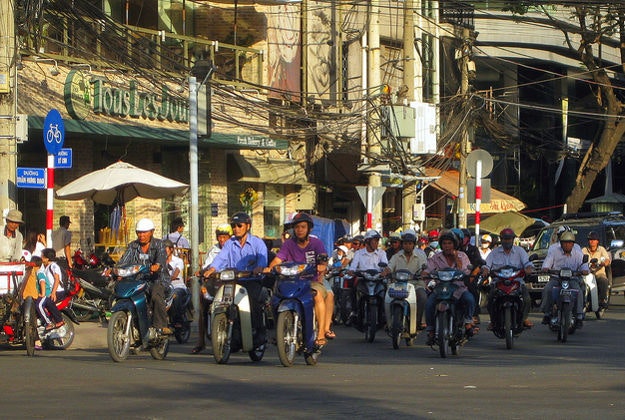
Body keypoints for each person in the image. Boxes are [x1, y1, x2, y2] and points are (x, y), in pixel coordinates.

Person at [264, 212, 332, 345]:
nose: (299, 230)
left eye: (303, 227)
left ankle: (320, 334)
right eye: (297, 227)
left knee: (317, 295)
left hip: (311, 281)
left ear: (309, 229)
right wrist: (269, 268)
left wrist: (322, 267)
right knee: (275, 299)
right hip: (290, 282)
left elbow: (323, 260)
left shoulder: (316, 243)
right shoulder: (288, 244)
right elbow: (278, 260)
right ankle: (279, 330)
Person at [205, 212, 268, 345]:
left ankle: (258, 332)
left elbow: (263, 259)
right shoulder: (229, 244)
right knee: (222, 301)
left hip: (252, 281)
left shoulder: (258, 243)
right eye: (234, 226)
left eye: (239, 225)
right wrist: (212, 269)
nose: (236, 229)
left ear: (248, 226)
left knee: (252, 302)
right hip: (233, 282)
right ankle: (231, 333)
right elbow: (221, 257)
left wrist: (259, 268)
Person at [116, 218, 172, 335]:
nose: (141, 235)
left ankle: (161, 326)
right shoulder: (133, 246)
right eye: (139, 232)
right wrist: (116, 270)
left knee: (156, 296)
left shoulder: (159, 244)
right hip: (138, 280)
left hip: (157, 279)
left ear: (151, 232)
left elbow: (161, 258)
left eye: (144, 232)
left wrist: (157, 265)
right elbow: (124, 261)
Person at [422, 230, 477, 346]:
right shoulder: (436, 257)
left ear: (455, 244)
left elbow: (467, 271)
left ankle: (468, 322)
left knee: (469, 299)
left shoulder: (462, 256)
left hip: (458, 289)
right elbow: (428, 269)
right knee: (429, 304)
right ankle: (431, 330)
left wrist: (457, 260)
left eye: (449, 243)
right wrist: (425, 274)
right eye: (445, 243)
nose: (447, 246)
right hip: (440, 289)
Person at [191, 223, 232, 354]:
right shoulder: (213, 250)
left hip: (231, 284)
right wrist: (202, 271)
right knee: (203, 305)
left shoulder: (234, 248)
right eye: (220, 237)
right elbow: (207, 266)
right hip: (215, 284)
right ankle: (201, 341)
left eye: (225, 237)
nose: (222, 240)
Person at [482, 228, 534, 330]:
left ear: (513, 239)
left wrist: (528, 268)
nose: (507, 241)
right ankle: (493, 321)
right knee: (490, 298)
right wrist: (485, 270)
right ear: (501, 240)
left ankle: (523, 319)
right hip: (498, 282)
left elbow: (527, 263)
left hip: (516, 281)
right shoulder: (494, 253)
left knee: (527, 299)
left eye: (509, 239)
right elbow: (486, 265)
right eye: (505, 239)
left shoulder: (520, 251)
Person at [540, 231, 588, 328]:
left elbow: (585, 267)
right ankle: (547, 313)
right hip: (557, 279)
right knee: (548, 289)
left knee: (578, 290)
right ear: (561, 243)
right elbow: (546, 264)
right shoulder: (554, 252)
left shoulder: (578, 253)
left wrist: (584, 271)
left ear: (573, 244)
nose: (567, 245)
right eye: (565, 243)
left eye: (569, 243)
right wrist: (546, 268)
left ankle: (579, 315)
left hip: (572, 279)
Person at [382, 229, 428, 329]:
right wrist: (386, 272)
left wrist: (423, 274)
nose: (408, 246)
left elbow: (425, 269)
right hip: (398, 285)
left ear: (414, 245)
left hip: (415, 285)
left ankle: (417, 321)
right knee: (385, 296)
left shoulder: (420, 256)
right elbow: (389, 267)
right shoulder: (396, 256)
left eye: (410, 243)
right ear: (402, 244)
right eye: (406, 243)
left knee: (423, 296)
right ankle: (388, 321)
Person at [36, 248, 66, 332]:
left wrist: (53, 293)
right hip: (53, 290)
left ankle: (59, 320)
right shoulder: (46, 267)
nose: (41, 258)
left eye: (42, 256)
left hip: (58, 291)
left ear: (47, 258)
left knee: (48, 301)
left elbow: (57, 279)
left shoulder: (53, 266)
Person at [582, 231, 611, 310]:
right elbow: (579, 260)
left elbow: (607, 260)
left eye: (594, 239)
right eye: (590, 239)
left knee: (603, 280)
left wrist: (604, 263)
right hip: (587, 274)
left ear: (597, 241)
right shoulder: (584, 250)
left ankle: (602, 300)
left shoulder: (601, 249)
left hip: (599, 273)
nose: (592, 241)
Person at [164, 239, 187, 328]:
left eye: (165, 249)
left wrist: (172, 277)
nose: (164, 252)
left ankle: (178, 320)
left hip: (177, 286)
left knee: (175, 295)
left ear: (171, 250)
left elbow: (177, 271)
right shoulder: (160, 261)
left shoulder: (178, 261)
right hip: (165, 286)